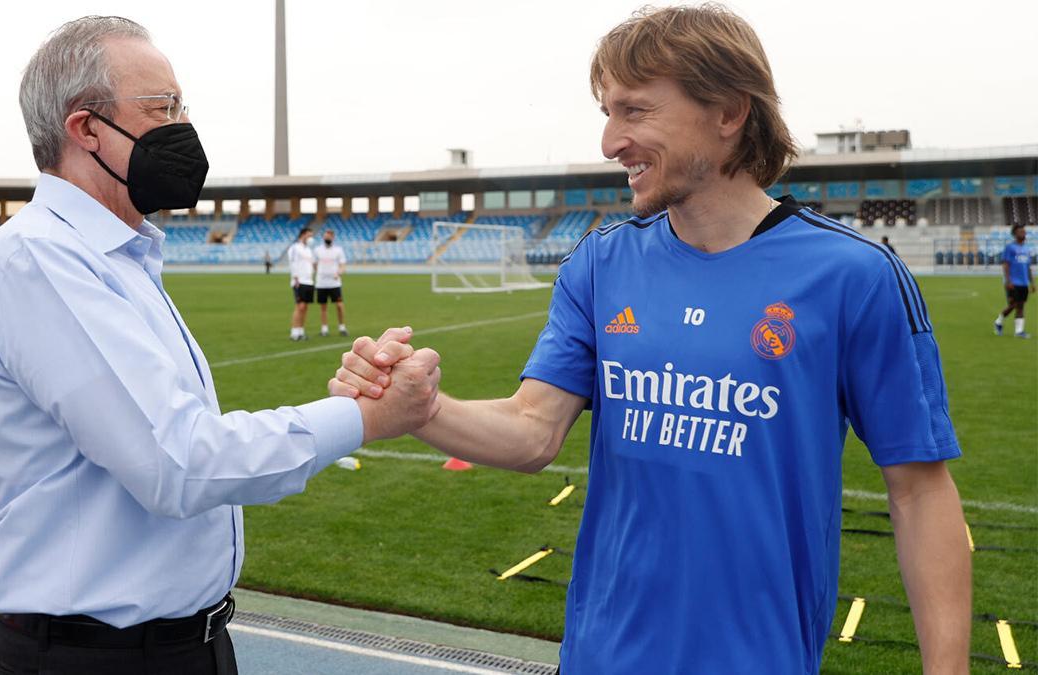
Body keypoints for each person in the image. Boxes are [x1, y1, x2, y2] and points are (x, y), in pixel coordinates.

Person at [331, 6, 970, 674]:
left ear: (727, 112)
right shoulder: (602, 263)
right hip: (600, 656)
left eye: (635, 111)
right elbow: (531, 429)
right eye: (607, 113)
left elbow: (919, 490)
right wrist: (425, 410)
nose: (611, 142)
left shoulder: (855, 276)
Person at [0, 17, 440, 674]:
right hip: (94, 656)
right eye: (162, 108)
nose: (182, 128)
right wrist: (366, 415)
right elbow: (176, 461)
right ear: (85, 128)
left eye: (183, 106)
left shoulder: (119, 256)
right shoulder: (41, 260)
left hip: (183, 643)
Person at [994, 224, 1031, 338]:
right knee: (1013, 305)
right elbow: (1005, 264)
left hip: (1024, 282)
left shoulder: (1026, 248)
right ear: (1015, 234)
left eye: (1024, 232)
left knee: (1021, 306)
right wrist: (1008, 281)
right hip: (1013, 282)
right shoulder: (1010, 248)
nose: (1023, 234)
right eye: (1021, 232)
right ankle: (998, 321)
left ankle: (1019, 331)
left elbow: (1028, 266)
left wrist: (1032, 282)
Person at [314, 228, 348, 337]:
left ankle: (342, 327)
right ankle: (324, 329)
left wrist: (339, 272)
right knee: (323, 307)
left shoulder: (338, 250)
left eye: (329, 237)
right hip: (321, 283)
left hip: (334, 283)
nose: (327, 238)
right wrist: (319, 272)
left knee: (339, 305)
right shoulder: (317, 250)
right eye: (325, 237)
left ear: (333, 238)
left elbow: (342, 264)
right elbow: (314, 264)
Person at [288, 227, 316, 341]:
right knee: (300, 306)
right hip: (300, 281)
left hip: (309, 281)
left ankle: (301, 330)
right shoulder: (295, 248)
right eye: (309, 235)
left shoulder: (309, 250)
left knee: (305, 307)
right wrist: (296, 278)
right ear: (303, 235)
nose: (311, 238)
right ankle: (294, 332)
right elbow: (292, 263)